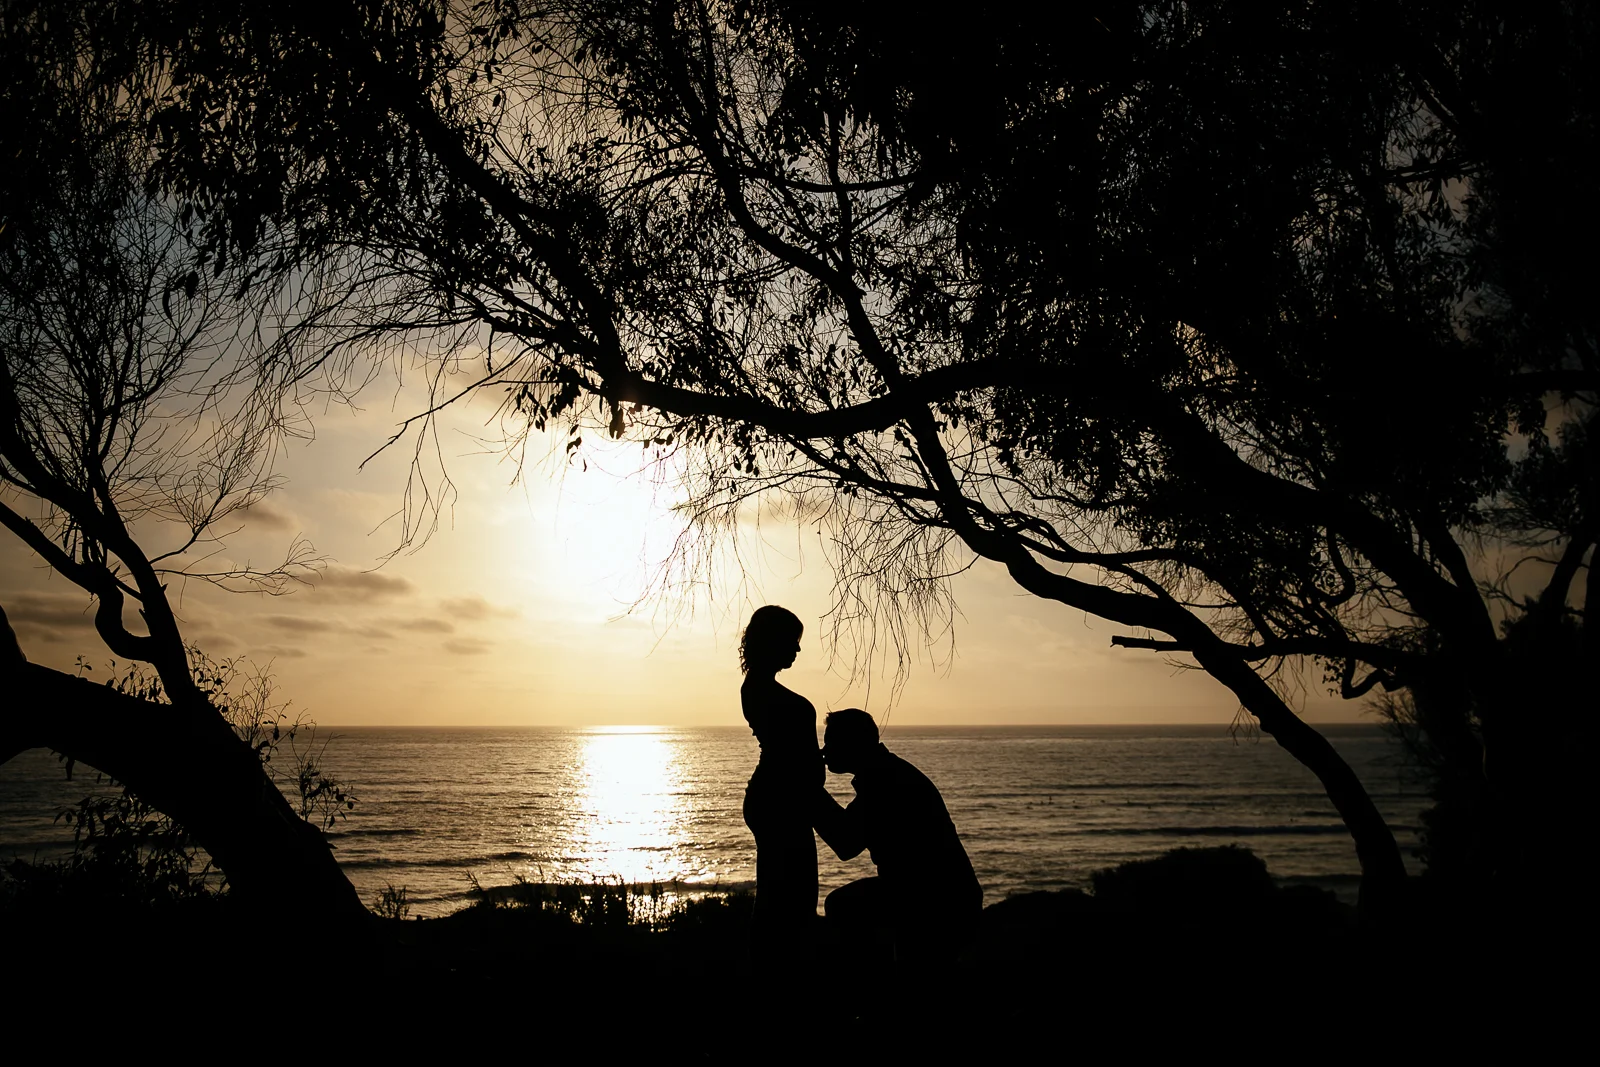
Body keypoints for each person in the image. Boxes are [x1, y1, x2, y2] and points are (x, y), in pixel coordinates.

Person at [813, 709, 982, 964]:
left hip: (934, 898)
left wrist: (810, 791)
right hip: (939, 893)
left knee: (842, 906)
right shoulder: (887, 772)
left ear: (853, 743)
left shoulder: (884, 781)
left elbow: (845, 843)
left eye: (831, 743)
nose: (824, 751)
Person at [738, 605, 822, 960]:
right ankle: (772, 972)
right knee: (787, 897)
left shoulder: (761, 686)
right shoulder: (760, 688)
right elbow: (788, 752)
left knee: (786, 895)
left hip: (782, 798)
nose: (798, 649)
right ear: (773, 640)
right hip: (779, 801)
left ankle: (773, 968)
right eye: (792, 640)